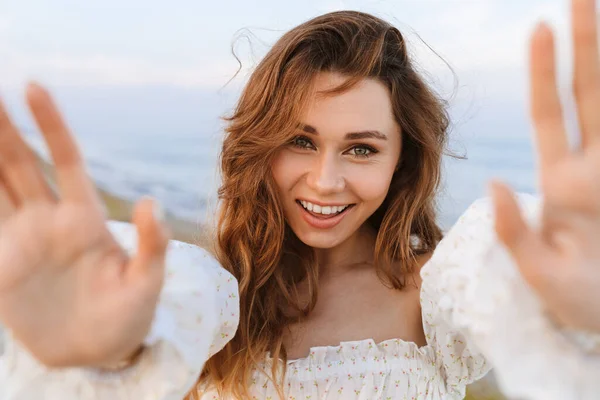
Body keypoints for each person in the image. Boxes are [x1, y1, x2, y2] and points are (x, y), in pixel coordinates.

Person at [0, 0, 599, 398]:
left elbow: (505, 284)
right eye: (299, 141)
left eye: (361, 149)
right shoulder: (205, 299)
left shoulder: (435, 290)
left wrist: (574, 312)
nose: (324, 181)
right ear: (258, 146)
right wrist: (99, 358)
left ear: (402, 161)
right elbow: (142, 332)